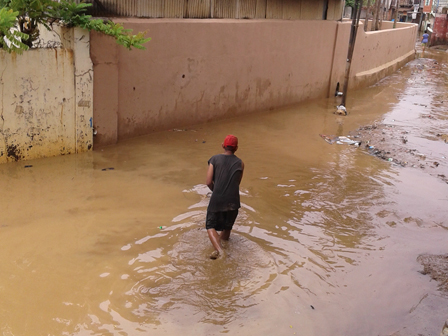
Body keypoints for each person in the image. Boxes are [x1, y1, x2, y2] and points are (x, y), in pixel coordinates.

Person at [205, 134, 244, 259]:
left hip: (218, 198)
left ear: (223, 145)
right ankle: (221, 251)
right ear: (236, 148)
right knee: (227, 228)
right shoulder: (240, 163)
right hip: (233, 200)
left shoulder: (214, 159)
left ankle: (220, 252)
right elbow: (237, 183)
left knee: (210, 226)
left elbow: (208, 182)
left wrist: (215, 191)